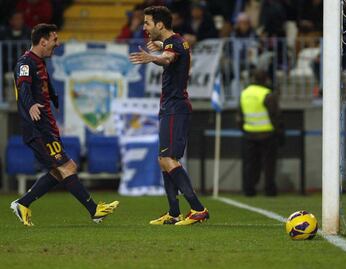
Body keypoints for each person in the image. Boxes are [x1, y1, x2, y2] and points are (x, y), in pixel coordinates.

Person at [10, 24, 119, 226]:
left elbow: (42, 84)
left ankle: (23, 203)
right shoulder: (25, 63)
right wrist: (31, 104)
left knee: (60, 169)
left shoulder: (39, 62)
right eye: (54, 39)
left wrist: (54, 97)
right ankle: (94, 210)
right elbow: (23, 87)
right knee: (66, 167)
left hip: (47, 126)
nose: (57, 43)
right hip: (37, 128)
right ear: (43, 41)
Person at [128, 6, 209, 225]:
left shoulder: (173, 44)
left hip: (175, 107)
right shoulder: (177, 41)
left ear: (159, 24)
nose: (144, 27)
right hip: (170, 107)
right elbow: (172, 50)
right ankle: (174, 213)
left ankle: (198, 208)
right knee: (163, 160)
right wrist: (160, 46)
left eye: (147, 23)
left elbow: (167, 59)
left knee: (168, 158)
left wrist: (151, 57)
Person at [239, 69, 283, 196]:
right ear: (265, 79)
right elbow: (276, 116)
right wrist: (280, 133)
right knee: (269, 164)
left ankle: (248, 189)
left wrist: (244, 128)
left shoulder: (244, 93)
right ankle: (269, 190)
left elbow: (239, 116)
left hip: (249, 134)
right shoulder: (267, 94)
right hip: (267, 134)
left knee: (250, 164)